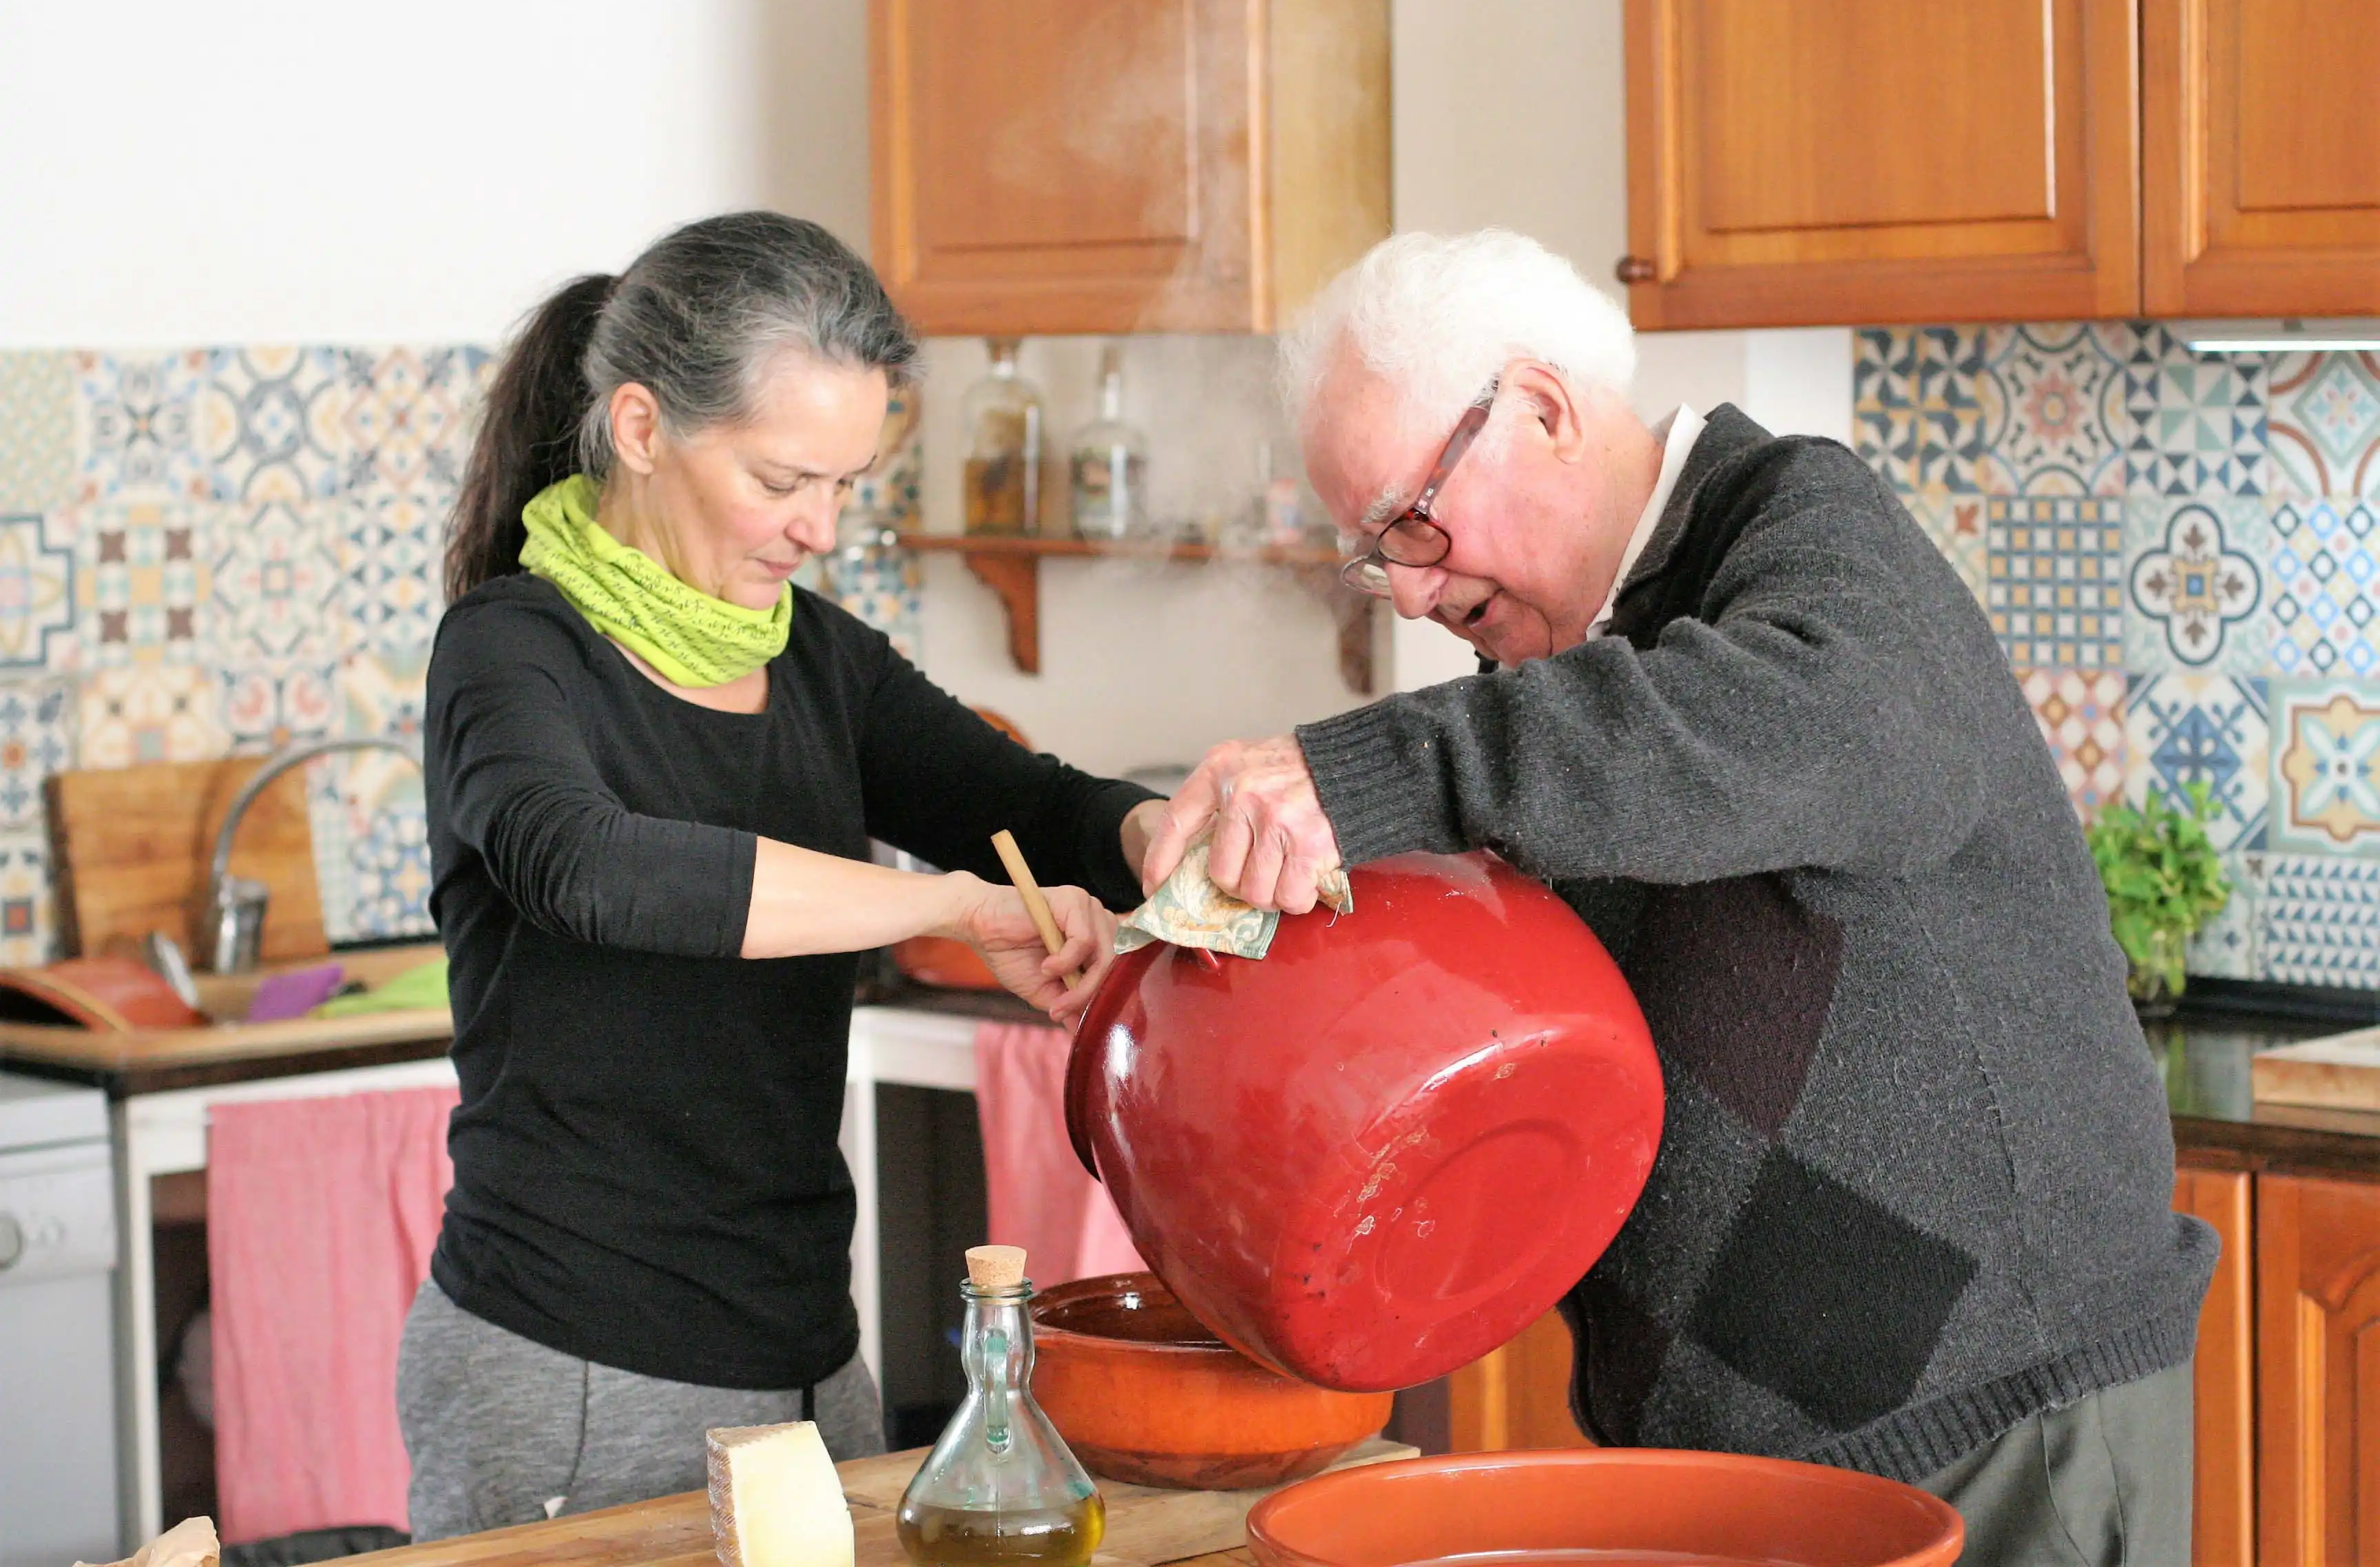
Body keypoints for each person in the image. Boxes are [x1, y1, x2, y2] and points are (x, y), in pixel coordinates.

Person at [1140, 230, 2213, 1564]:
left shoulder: (1797, 519)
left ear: (1541, 408)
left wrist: (1372, 769)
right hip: (1760, 1448)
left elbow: (1841, 733)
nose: (1411, 592)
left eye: (1413, 522)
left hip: (1991, 1411)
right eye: (1374, 555)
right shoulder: (1572, 671)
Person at [399, 212, 1161, 1540]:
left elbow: (1019, 806)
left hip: (811, 1352)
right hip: (577, 1358)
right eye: (781, 480)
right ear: (640, 430)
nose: (820, 529)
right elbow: (592, 868)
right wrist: (945, 904)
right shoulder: (511, 650)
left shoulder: (816, 657)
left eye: (848, 486)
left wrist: (1166, 834)